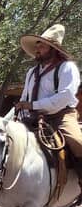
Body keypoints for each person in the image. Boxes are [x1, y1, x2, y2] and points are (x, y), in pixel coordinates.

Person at [14, 23, 81, 162]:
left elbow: (65, 97)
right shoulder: (31, 72)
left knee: (78, 143)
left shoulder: (67, 67)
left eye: (42, 46)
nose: (37, 49)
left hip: (61, 117)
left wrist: (33, 105)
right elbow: (24, 98)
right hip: (32, 118)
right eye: (37, 46)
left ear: (53, 49)